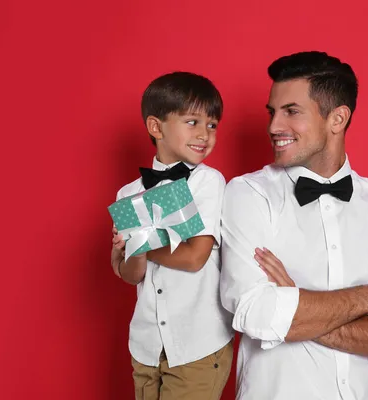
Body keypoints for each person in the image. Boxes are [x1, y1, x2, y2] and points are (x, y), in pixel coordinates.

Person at [220, 51, 368, 399]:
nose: (274, 126)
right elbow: (256, 314)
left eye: (291, 111)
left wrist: (295, 306)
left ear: (337, 119)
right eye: (272, 112)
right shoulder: (248, 195)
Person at [111, 72, 234, 400]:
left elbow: (195, 258)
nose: (204, 134)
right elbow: (129, 273)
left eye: (212, 125)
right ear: (156, 127)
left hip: (197, 344)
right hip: (147, 345)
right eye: (192, 122)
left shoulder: (208, 183)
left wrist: (141, 241)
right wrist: (130, 251)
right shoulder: (129, 193)